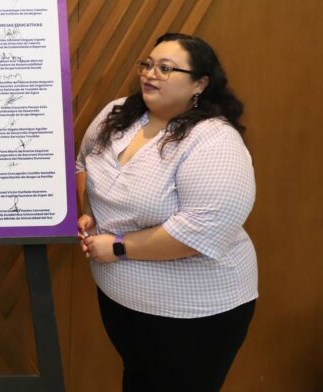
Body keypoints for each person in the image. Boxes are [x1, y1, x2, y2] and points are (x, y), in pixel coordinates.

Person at [76, 32, 257, 392]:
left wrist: (117, 247)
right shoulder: (118, 114)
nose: (150, 73)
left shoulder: (213, 140)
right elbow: (82, 164)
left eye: (166, 68)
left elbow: (206, 228)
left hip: (194, 317)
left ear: (199, 84)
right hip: (123, 307)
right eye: (148, 64)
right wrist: (87, 212)